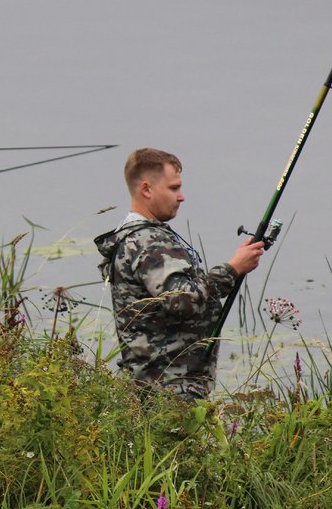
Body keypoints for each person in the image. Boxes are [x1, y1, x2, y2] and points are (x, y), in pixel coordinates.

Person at [94, 148, 265, 401]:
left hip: (153, 386)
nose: (182, 196)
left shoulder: (135, 237)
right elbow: (181, 299)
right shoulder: (149, 242)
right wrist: (233, 269)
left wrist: (234, 268)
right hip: (169, 389)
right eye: (174, 188)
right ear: (146, 190)